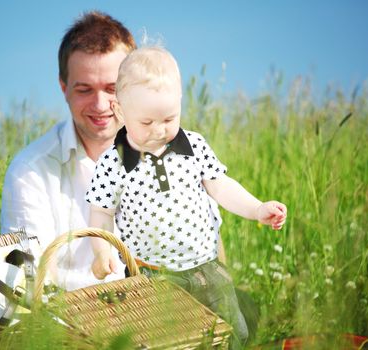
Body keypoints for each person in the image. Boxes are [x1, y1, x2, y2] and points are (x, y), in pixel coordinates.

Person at [85, 46, 287, 349]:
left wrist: (257, 208)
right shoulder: (113, 162)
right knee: (168, 341)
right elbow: (100, 213)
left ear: (179, 103)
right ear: (120, 111)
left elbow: (220, 186)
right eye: (146, 123)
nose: (159, 130)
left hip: (207, 266)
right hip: (154, 274)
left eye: (168, 118)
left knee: (232, 334)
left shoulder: (193, 145)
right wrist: (102, 252)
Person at [0, 11, 136, 291]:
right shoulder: (30, 172)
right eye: (84, 89)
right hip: (69, 325)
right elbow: (33, 283)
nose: (100, 105)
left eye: (112, 88)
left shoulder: (170, 154)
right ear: (64, 87)